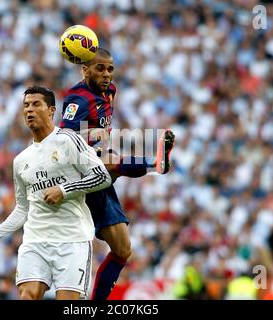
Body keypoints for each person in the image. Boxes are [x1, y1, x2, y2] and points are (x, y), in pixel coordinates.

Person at [0, 86, 112, 300]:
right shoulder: (21, 161)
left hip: (72, 240)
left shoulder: (68, 140)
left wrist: (64, 190)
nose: (29, 110)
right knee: (27, 296)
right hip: (35, 240)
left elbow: (102, 176)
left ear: (51, 110)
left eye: (36, 104)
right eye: (26, 105)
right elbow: (23, 208)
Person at [60, 47, 175, 300]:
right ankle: (155, 163)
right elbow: (62, 140)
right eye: (100, 68)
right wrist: (90, 135)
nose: (106, 74)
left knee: (123, 250)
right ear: (85, 69)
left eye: (110, 69)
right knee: (108, 159)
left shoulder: (110, 92)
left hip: (99, 176)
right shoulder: (77, 99)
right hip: (76, 175)